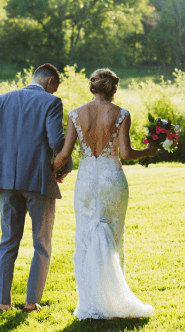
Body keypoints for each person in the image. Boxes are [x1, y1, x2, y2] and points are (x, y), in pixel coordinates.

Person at [52, 68, 158, 319]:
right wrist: (149, 151)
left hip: (87, 179)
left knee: (86, 236)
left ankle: (90, 302)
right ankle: (113, 299)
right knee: (113, 236)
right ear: (113, 89)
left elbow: (65, 154)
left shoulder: (76, 114)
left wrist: (52, 171)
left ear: (93, 87)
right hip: (112, 178)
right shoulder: (122, 114)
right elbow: (126, 153)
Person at [0, 63, 73, 313]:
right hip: (38, 180)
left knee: (8, 240)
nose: (54, 92)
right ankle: (31, 303)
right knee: (42, 242)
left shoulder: (4, 99)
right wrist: (63, 168)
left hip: (5, 180)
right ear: (51, 81)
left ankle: (3, 304)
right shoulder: (51, 102)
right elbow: (57, 141)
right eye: (55, 87)